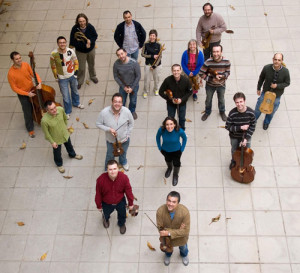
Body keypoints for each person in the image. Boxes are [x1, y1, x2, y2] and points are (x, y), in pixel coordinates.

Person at [41, 100, 83, 173]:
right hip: (56, 139)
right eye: (51, 109)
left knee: (69, 146)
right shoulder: (44, 121)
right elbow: (46, 133)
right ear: (47, 110)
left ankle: (72, 155)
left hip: (65, 134)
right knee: (57, 153)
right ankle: (59, 164)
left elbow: (64, 118)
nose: (54, 110)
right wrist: (52, 142)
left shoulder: (60, 109)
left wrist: (65, 126)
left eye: (54, 107)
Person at [96, 93, 134, 171]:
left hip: (124, 139)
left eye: (119, 102)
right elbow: (98, 124)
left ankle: (123, 162)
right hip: (111, 141)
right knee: (110, 155)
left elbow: (131, 123)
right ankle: (108, 167)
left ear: (122, 103)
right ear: (112, 102)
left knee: (123, 152)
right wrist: (109, 129)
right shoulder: (104, 112)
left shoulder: (127, 111)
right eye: (115, 101)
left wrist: (128, 135)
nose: (117, 104)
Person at [7, 51, 42, 138]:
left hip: (32, 89)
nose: (19, 60)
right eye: (16, 59)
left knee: (38, 105)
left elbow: (33, 74)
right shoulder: (11, 74)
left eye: (20, 58)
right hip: (23, 94)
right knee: (27, 111)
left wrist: (39, 82)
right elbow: (14, 88)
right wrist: (27, 94)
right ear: (12, 60)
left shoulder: (26, 65)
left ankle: (40, 119)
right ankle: (30, 129)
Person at [95, 159, 135, 234]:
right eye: (110, 169)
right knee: (106, 213)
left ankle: (121, 223)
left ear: (118, 168)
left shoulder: (124, 178)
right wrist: (98, 205)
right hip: (106, 203)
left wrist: (131, 203)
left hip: (120, 201)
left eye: (114, 169)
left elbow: (128, 191)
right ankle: (106, 219)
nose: (113, 171)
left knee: (122, 214)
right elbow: (98, 194)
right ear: (107, 169)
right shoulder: (101, 180)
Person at [50, 36, 84, 119]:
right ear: (58, 44)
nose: (62, 44)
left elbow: (76, 61)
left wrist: (75, 73)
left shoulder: (70, 51)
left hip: (72, 75)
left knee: (75, 91)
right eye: (60, 43)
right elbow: (53, 66)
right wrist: (56, 76)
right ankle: (68, 111)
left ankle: (76, 103)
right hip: (62, 78)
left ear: (66, 43)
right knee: (65, 96)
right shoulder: (53, 54)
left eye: (63, 42)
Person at [254, 53, 290, 130]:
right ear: (273, 59)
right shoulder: (266, 68)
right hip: (265, 92)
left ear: (281, 61)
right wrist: (258, 88)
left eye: (279, 60)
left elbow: (287, 83)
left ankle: (266, 122)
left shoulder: (285, 71)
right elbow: (261, 78)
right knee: (258, 107)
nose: (277, 61)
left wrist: (277, 86)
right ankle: (253, 121)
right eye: (275, 59)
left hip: (277, 95)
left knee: (272, 110)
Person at [156, 191, 190, 266]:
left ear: (178, 203)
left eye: (174, 202)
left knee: (183, 248)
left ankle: (184, 255)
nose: (170, 204)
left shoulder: (185, 212)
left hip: (181, 239)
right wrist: (179, 230)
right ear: (166, 200)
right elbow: (160, 229)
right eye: (169, 201)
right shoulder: (160, 211)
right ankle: (168, 255)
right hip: (167, 239)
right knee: (167, 250)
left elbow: (185, 231)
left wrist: (168, 232)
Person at [199, 45, 231, 122]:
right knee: (208, 100)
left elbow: (228, 72)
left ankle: (222, 112)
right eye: (214, 52)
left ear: (221, 52)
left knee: (221, 100)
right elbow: (200, 73)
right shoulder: (208, 62)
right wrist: (210, 79)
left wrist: (223, 76)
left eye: (217, 51)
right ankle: (207, 112)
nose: (216, 54)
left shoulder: (227, 62)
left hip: (221, 85)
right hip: (210, 85)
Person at [225, 92, 256, 169]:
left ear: (244, 101)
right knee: (234, 150)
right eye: (237, 102)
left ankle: (245, 164)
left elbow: (253, 126)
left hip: (246, 136)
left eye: (241, 101)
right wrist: (240, 127)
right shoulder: (232, 113)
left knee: (247, 152)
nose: (239, 104)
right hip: (234, 136)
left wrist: (246, 139)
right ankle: (234, 161)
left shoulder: (251, 113)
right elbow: (227, 126)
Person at [159, 64, 192, 130]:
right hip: (171, 103)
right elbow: (160, 92)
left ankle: (182, 131)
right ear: (172, 71)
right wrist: (170, 99)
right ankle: (172, 131)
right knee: (171, 119)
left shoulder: (186, 80)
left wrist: (182, 100)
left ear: (180, 71)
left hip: (182, 103)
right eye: (174, 70)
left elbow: (190, 92)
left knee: (182, 118)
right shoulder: (167, 80)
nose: (176, 72)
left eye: (177, 70)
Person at [69, 13, 98, 89]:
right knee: (81, 67)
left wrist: (90, 41)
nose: (82, 23)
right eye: (80, 21)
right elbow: (72, 42)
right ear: (77, 22)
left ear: (86, 20)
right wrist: (84, 46)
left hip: (90, 50)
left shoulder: (90, 26)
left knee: (91, 64)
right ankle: (80, 81)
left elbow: (95, 35)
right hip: (80, 51)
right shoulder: (75, 29)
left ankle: (93, 76)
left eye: (83, 21)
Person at [156, 117, 187, 186]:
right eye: (167, 124)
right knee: (168, 160)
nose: (169, 126)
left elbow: (185, 139)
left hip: (177, 151)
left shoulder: (179, 131)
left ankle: (175, 174)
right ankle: (169, 168)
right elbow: (157, 137)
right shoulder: (161, 130)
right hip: (165, 150)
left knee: (177, 163)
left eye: (171, 124)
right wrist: (159, 147)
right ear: (164, 125)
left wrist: (182, 149)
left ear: (175, 124)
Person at [113, 48, 141, 120]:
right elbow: (116, 76)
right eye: (118, 55)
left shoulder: (134, 63)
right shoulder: (116, 64)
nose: (121, 56)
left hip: (133, 86)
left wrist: (132, 87)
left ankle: (132, 111)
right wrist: (123, 87)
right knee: (122, 100)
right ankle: (122, 112)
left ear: (125, 53)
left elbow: (138, 76)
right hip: (123, 86)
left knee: (133, 100)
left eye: (122, 54)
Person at [141, 29, 162, 99]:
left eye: (153, 36)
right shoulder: (146, 44)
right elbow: (143, 54)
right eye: (151, 35)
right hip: (148, 65)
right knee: (147, 79)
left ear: (156, 37)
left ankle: (156, 89)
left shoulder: (159, 45)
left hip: (157, 65)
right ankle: (145, 91)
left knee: (157, 79)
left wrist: (154, 66)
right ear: (149, 36)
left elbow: (160, 56)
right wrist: (152, 56)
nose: (152, 37)